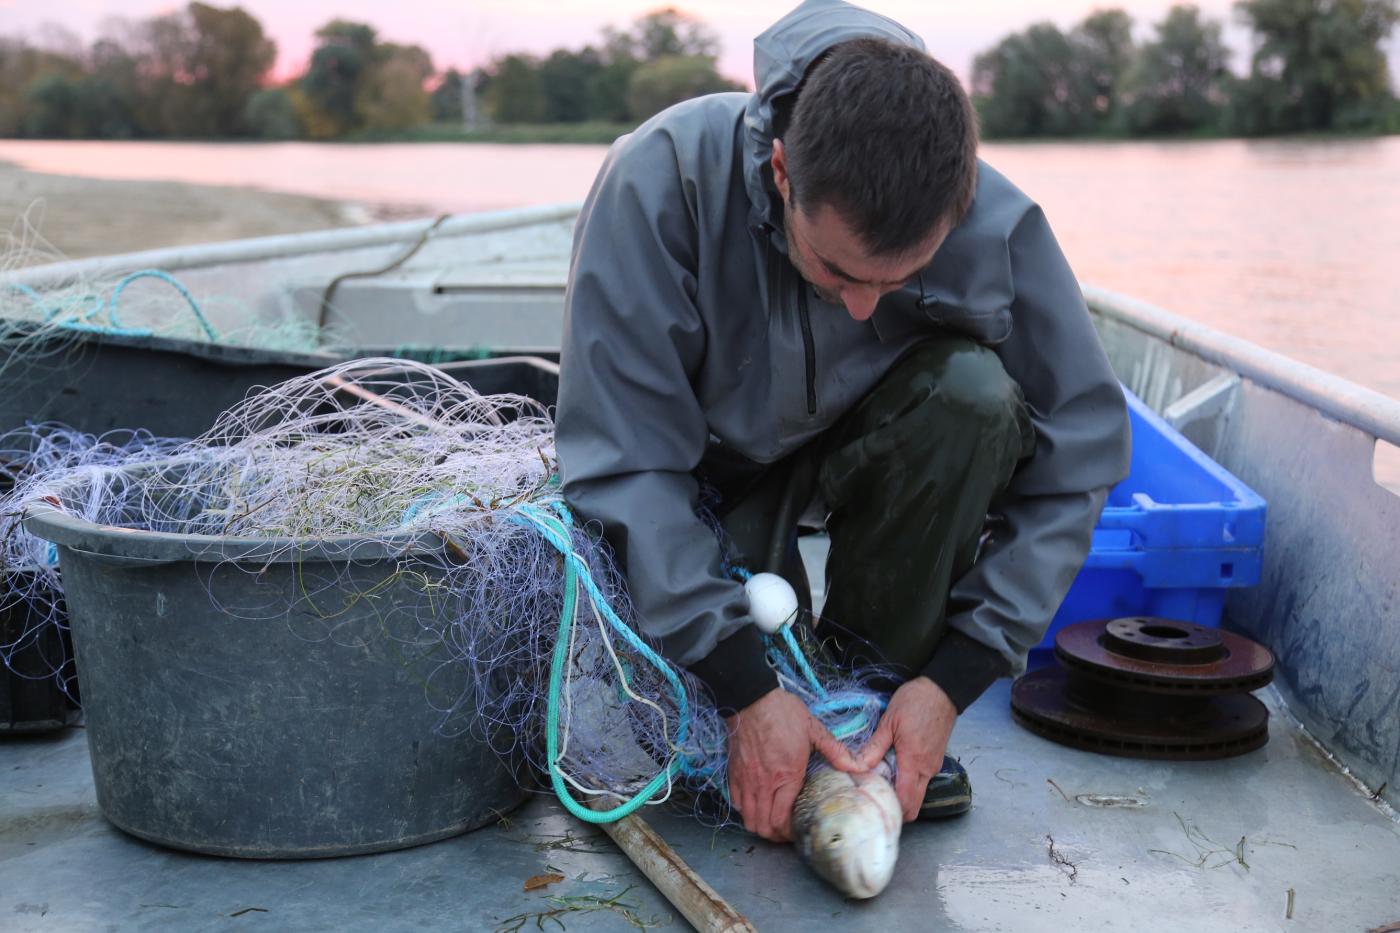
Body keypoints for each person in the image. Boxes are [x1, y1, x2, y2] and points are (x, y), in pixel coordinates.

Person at [556, 0, 1131, 843]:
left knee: (974, 394)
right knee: (709, 676)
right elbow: (625, 463)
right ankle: (755, 694)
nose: (864, 305)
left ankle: (876, 702)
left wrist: (956, 677)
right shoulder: (657, 179)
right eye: (835, 272)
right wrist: (746, 688)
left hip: (863, 443)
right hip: (703, 468)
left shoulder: (994, 218)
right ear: (783, 171)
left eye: (901, 281)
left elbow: (1080, 455)